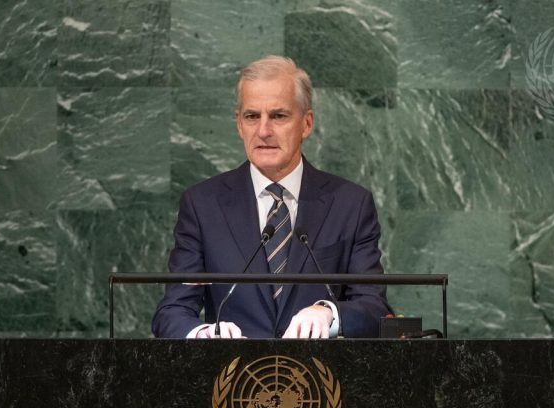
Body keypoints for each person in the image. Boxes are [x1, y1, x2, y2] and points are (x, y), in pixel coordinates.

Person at [152, 55, 392, 339]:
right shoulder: (202, 205)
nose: (264, 131)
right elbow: (172, 311)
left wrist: (329, 313)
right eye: (252, 116)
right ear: (239, 124)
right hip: (231, 377)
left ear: (306, 123)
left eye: (278, 116)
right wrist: (201, 334)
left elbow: (375, 308)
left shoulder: (350, 205)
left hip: (321, 378)